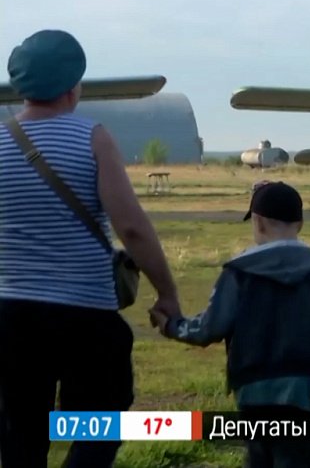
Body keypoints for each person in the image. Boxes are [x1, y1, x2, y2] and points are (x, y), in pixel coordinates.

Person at [0, 29, 181, 468]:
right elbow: (131, 228)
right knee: (97, 423)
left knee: (20, 436)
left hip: (10, 317)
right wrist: (167, 292)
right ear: (72, 86)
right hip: (84, 316)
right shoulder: (92, 137)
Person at [151, 181, 310, 468]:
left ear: (258, 222)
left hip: (254, 388)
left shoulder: (239, 273)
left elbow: (209, 328)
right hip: (308, 390)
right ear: (300, 224)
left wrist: (172, 325)